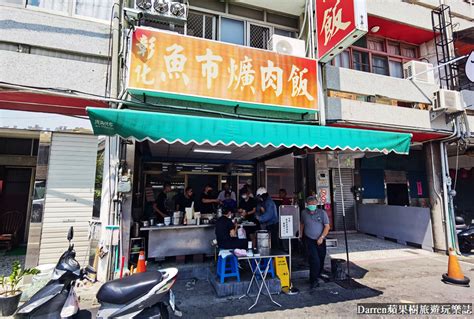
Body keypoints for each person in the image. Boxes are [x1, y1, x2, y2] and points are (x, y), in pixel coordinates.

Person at [299, 196, 330, 289]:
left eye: (313, 204)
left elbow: (327, 227)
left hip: (321, 240)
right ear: (307, 205)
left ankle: (317, 275)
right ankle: (313, 280)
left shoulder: (322, 213)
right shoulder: (304, 213)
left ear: (316, 204)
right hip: (309, 240)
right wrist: (300, 233)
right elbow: (302, 223)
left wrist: (322, 237)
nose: (312, 206)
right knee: (314, 260)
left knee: (321, 259)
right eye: (310, 204)